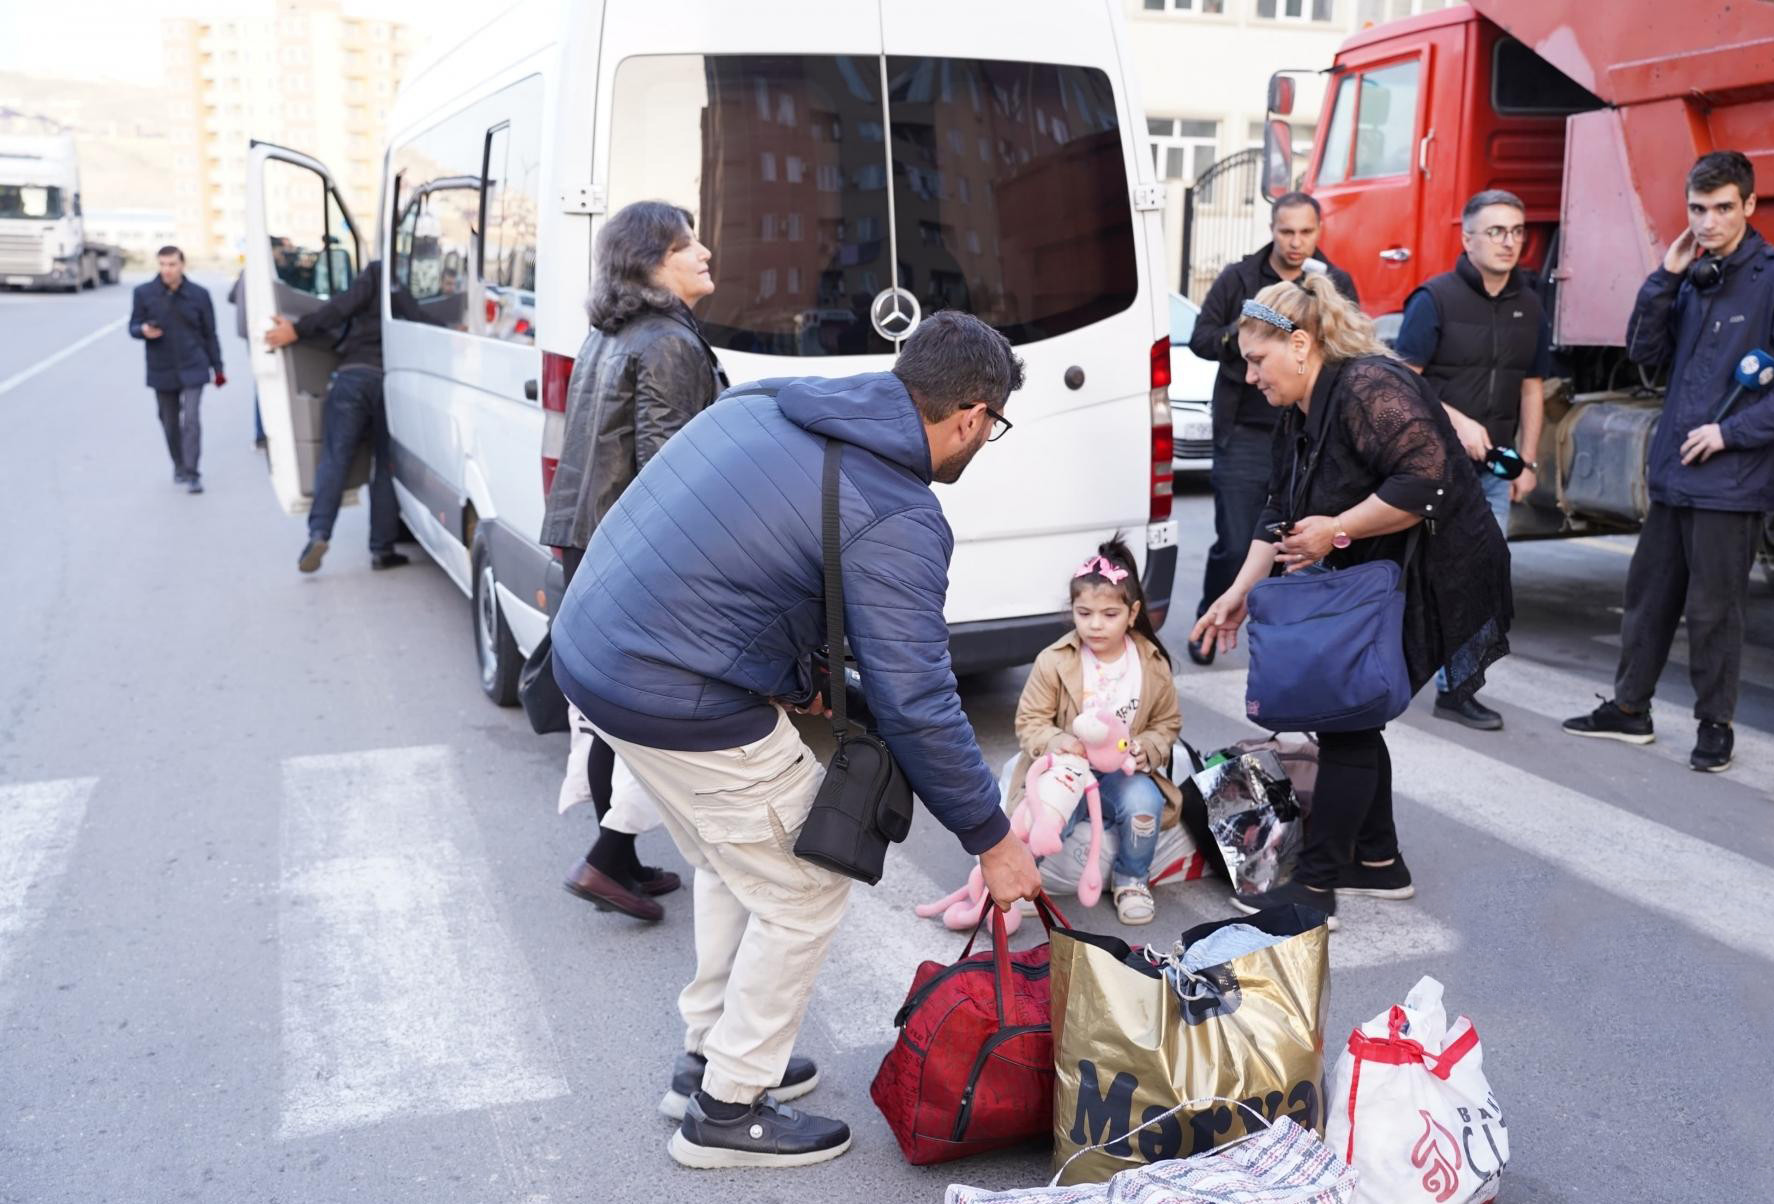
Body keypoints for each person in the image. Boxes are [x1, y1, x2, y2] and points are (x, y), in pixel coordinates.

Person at [551, 310, 1042, 1169]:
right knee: (805, 881)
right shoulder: (899, 510)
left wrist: (796, 669)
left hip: (594, 652)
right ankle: (726, 1108)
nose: (983, 443)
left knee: (730, 858)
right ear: (971, 414)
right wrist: (993, 840)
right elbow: (920, 699)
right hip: (675, 692)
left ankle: (708, 1053)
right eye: (991, 429)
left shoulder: (773, 403)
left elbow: (723, 552)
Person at [1190, 273, 1512, 929]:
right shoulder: (1298, 410)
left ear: (1301, 345)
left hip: (1436, 568)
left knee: (1346, 718)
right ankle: (1377, 861)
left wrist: (1338, 529)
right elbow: (1278, 510)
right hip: (1377, 572)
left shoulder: (1369, 386)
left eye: (1258, 359)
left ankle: (1315, 888)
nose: (1251, 376)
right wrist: (1237, 593)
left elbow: (1429, 481)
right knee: (1352, 709)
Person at [1563, 151, 1774, 772]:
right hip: (1675, 474)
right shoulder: (1692, 275)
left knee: (1715, 610)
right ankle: (1629, 711)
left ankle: (1715, 726)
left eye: (1722, 208)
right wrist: (1664, 276)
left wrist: (1731, 433)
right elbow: (1644, 351)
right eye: (1697, 209)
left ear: (1749, 206)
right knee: (1649, 597)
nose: (1708, 222)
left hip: (1731, 479)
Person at [541, 200, 728, 923]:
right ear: (652, 262)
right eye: (688, 245)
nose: (705, 251)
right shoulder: (668, 342)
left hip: (588, 535)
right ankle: (608, 860)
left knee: (607, 705)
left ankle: (618, 858)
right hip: (633, 548)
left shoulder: (612, 332)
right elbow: (671, 468)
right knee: (643, 709)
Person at [1395, 189, 1555, 732]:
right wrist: (1456, 421)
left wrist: (1528, 461)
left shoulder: (1530, 304)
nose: (1509, 241)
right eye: (1496, 231)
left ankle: (1457, 688)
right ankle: (1384, 670)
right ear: (1467, 239)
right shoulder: (1434, 300)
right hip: (1434, 468)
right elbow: (1402, 384)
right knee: (1420, 576)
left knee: (1480, 578)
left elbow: (1532, 387)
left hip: (1493, 472)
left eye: (1516, 231)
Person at [1187, 193, 1359, 666]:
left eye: (1306, 232)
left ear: (1319, 231)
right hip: (1245, 431)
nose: (1296, 241)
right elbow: (1201, 338)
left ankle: (1276, 635)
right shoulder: (1239, 278)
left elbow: (1348, 347)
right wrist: (1250, 339)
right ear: (1272, 228)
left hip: (1309, 434)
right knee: (1239, 538)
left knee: (1296, 544)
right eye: (1287, 232)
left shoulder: (1331, 282)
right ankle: (1212, 615)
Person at [1011, 537, 1183, 925]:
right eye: (1084, 612)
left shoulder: (1151, 663)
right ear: (1072, 610)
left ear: (1132, 611)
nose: (1095, 624)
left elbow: (1167, 723)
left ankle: (1132, 878)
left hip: (1122, 773)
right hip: (1067, 768)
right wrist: (1061, 743)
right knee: (1048, 816)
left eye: (1109, 614)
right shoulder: (1055, 661)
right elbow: (1030, 722)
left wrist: (1147, 749)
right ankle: (1019, 873)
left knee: (1146, 804)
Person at [264, 260, 425, 573]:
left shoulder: (376, 272)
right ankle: (382, 549)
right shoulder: (402, 288)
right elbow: (422, 322)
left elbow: (339, 308)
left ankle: (319, 533)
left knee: (335, 458)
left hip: (353, 377)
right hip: (390, 382)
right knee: (386, 466)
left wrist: (296, 330)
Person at [129, 245, 224, 494]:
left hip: (194, 364)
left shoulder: (199, 294)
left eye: (172, 264)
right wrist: (143, 331)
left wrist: (218, 368)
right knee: (169, 421)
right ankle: (179, 464)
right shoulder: (144, 293)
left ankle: (193, 473)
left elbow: (210, 333)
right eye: (162, 264)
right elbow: (133, 325)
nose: (167, 270)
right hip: (162, 367)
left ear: (182, 265)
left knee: (191, 420)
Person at [227, 269, 266, 451]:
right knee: (266, 381)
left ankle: (260, 435)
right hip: (261, 332)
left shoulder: (246, 271)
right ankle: (262, 434)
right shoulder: (263, 270)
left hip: (249, 332)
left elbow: (231, 296)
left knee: (262, 379)